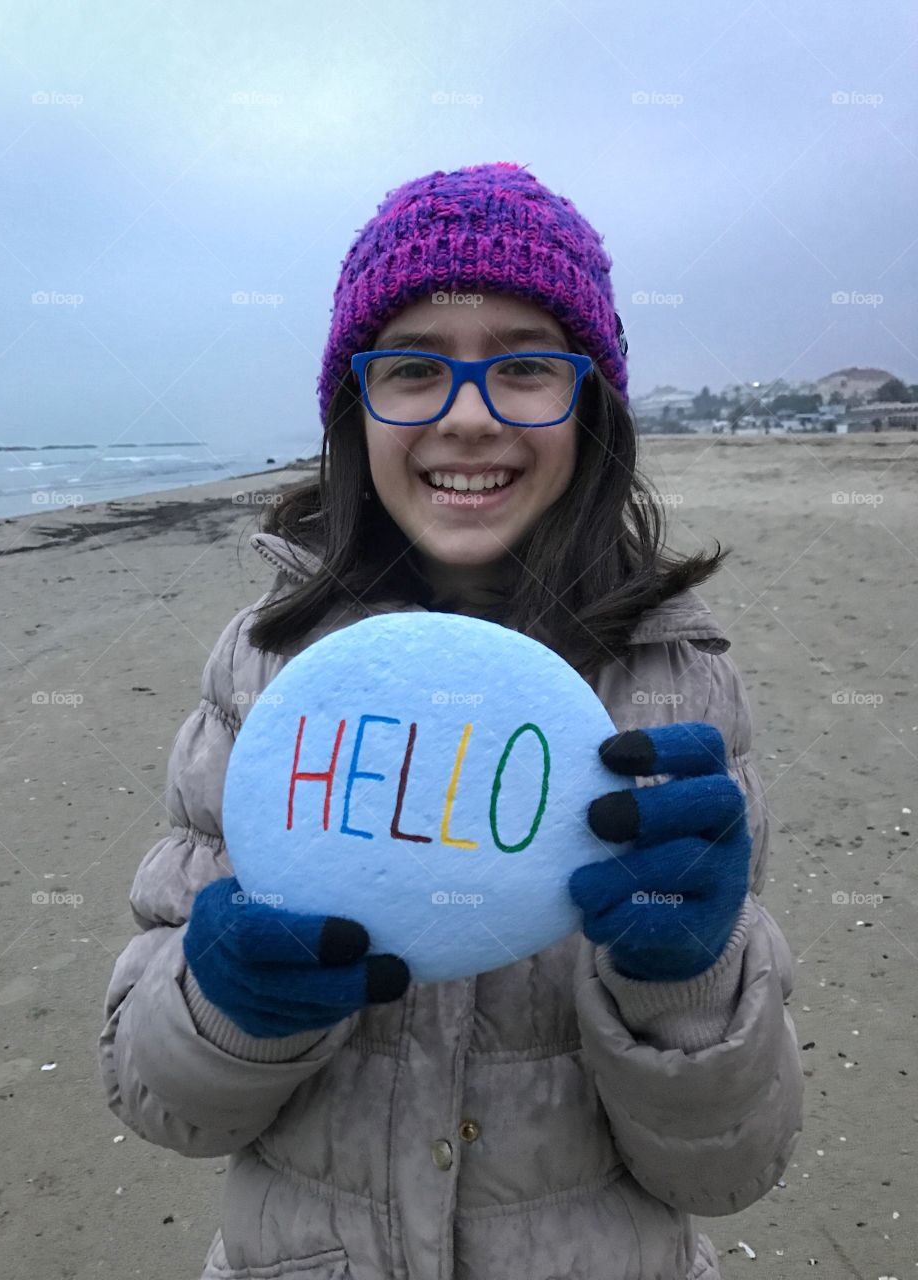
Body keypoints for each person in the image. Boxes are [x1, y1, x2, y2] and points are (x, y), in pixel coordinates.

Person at [98, 162, 803, 1280]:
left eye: (524, 366)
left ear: (591, 401)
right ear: (354, 406)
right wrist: (226, 1009)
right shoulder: (266, 673)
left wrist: (686, 985)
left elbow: (726, 1170)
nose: (467, 416)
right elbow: (159, 1100)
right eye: (415, 367)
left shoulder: (680, 686)